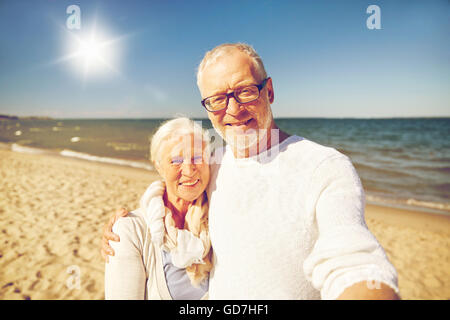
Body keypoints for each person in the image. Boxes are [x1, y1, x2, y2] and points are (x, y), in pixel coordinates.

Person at [102, 43, 400, 300]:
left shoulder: (323, 167)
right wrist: (125, 224)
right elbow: (174, 187)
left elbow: (350, 256)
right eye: (217, 99)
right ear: (207, 107)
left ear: (268, 90)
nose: (232, 110)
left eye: (245, 91)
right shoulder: (212, 165)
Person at [104, 117, 213, 299]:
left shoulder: (221, 216)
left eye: (197, 157)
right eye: (176, 160)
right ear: (159, 166)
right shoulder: (130, 230)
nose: (189, 170)